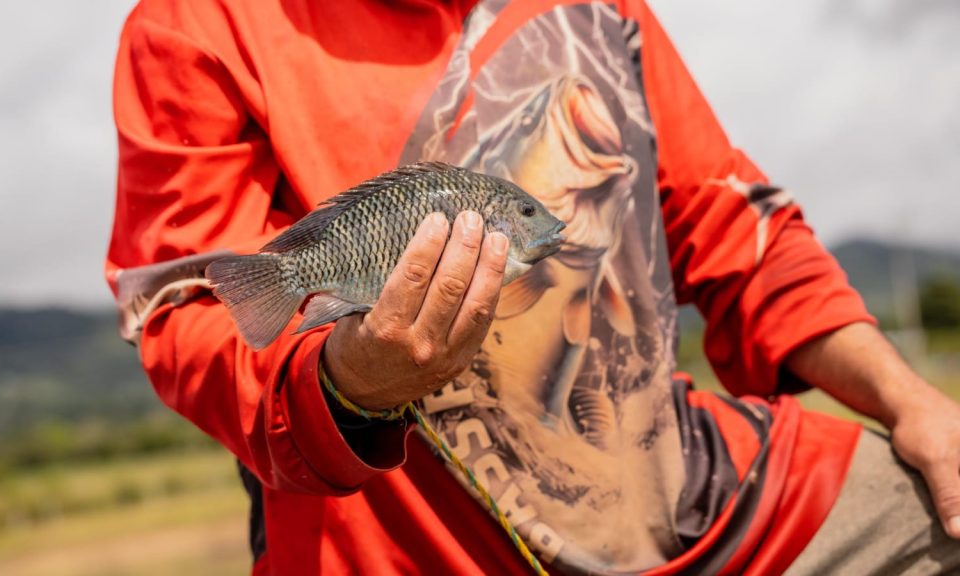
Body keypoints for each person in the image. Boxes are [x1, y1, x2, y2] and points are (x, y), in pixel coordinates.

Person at [106, 0, 960, 574]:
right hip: (403, 550)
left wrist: (910, 400)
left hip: (698, 501)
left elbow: (731, 225)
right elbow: (193, 314)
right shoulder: (197, 24)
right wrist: (348, 384)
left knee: (932, 511)